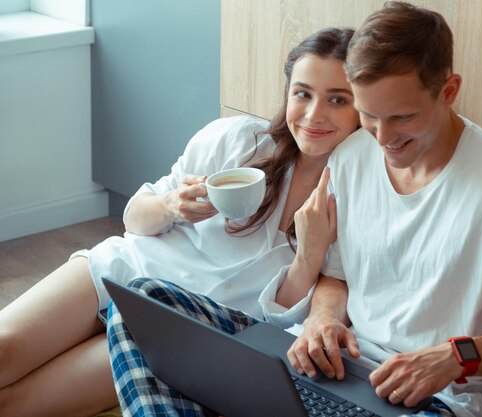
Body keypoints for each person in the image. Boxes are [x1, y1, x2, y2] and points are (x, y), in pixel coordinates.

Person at [0, 28, 358, 417]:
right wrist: (172, 205)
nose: (313, 114)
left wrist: (308, 255)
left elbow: (278, 317)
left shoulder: (356, 198)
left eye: (337, 100)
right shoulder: (237, 140)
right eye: (302, 93)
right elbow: (134, 219)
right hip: (122, 269)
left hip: (175, 328)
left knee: (17, 405)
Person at [285, 3, 482, 417]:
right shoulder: (352, 156)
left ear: (449, 90)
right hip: (346, 371)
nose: (383, 138)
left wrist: (455, 357)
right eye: (368, 115)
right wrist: (322, 320)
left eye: (402, 117)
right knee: (168, 313)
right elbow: (336, 278)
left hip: (441, 399)